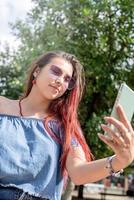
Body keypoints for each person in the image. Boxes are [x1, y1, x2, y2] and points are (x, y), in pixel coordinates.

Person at [0, 51, 134, 200]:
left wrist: (119, 160)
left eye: (67, 79)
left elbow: (79, 173)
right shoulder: (2, 105)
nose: (60, 81)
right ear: (37, 71)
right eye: (55, 71)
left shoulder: (65, 126)